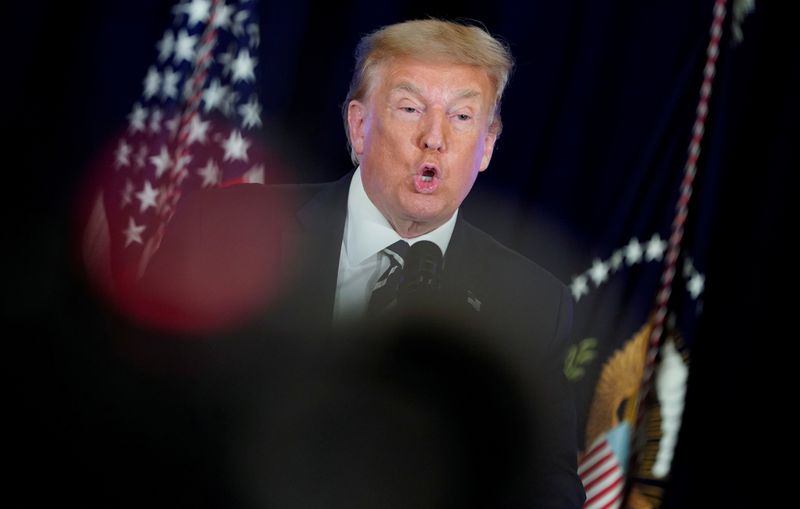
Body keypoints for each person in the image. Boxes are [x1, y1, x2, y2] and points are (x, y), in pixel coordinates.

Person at [140, 18, 585, 508]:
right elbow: (156, 406)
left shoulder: (532, 302)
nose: (434, 138)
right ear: (358, 126)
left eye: (462, 117)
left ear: (488, 144)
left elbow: (548, 488)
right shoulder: (242, 231)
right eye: (410, 108)